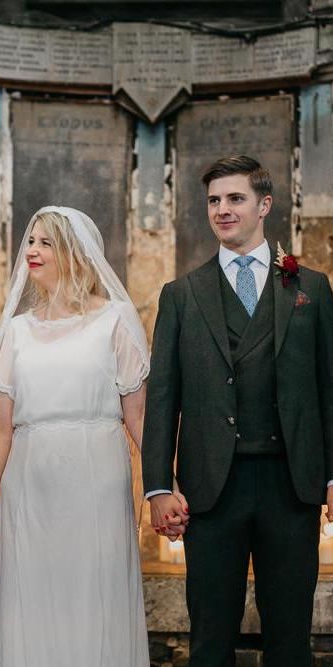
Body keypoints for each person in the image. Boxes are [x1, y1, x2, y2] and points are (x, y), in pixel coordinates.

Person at [142, 155, 333, 666]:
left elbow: (328, 387)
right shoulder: (181, 295)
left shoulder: (310, 287)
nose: (222, 210)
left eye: (235, 199)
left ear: (263, 205)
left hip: (291, 486)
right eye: (214, 201)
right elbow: (163, 395)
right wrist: (159, 486)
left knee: (291, 641)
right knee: (209, 638)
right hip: (211, 488)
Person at [0, 206, 155, 667]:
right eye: (30, 241)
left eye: (45, 242)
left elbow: (139, 418)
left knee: (94, 599)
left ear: (75, 252)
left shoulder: (115, 321)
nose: (31, 251)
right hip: (30, 487)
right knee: (33, 601)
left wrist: (163, 485)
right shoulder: (17, 331)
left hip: (97, 480)